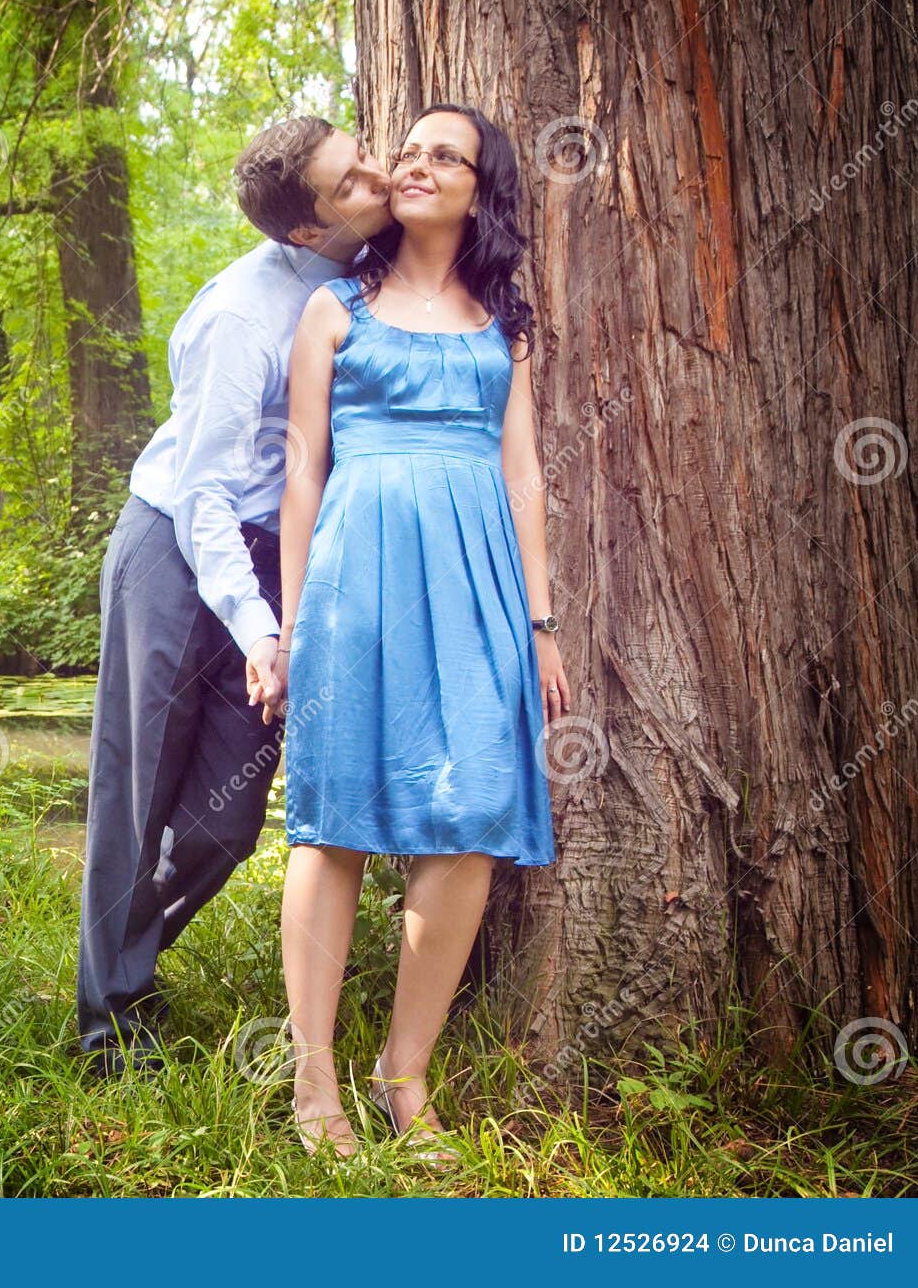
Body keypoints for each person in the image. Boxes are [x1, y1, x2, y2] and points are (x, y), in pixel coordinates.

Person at [266, 104, 570, 1156]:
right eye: (409, 149)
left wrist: (539, 623)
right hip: (357, 579)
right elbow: (302, 472)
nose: (418, 164)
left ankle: (406, 1078)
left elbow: (521, 471)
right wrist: (292, 622)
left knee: (476, 810)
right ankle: (313, 1090)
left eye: (447, 155)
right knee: (334, 813)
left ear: (479, 190)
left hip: (477, 581)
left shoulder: (503, 321)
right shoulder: (335, 309)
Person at [75, 116, 397, 1077]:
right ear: (306, 229)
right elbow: (205, 495)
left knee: (225, 823)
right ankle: (110, 1028)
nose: (378, 179)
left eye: (366, 156)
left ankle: (126, 951)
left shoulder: (363, 276)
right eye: (352, 183)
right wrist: (261, 630)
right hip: (177, 554)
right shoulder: (243, 318)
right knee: (138, 797)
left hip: (277, 554)